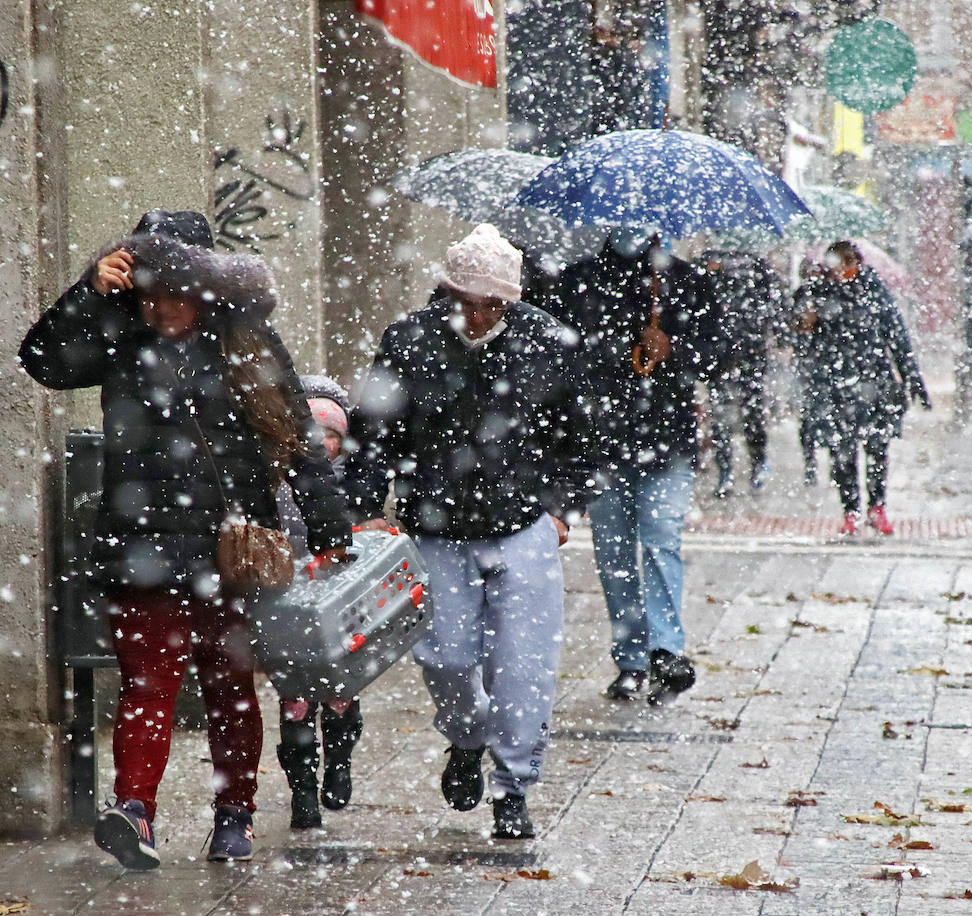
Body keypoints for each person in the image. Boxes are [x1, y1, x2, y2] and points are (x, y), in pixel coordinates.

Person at [19, 210, 352, 869]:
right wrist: (88, 290)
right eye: (148, 288)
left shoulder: (246, 341)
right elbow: (44, 361)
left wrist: (330, 527)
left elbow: (297, 439)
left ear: (206, 288)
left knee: (229, 687)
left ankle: (235, 817)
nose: (160, 304)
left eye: (173, 289)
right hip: (140, 547)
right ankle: (135, 813)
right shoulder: (119, 334)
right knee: (148, 686)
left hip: (230, 550)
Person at [343, 224, 593, 840]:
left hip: (521, 523)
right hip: (437, 524)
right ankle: (465, 737)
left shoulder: (549, 343)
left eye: (493, 305)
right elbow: (373, 432)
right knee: (448, 659)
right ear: (446, 291)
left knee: (523, 665)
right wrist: (366, 504)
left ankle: (514, 787)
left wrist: (563, 506)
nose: (478, 317)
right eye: (467, 302)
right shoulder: (410, 340)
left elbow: (580, 435)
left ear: (511, 300)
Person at [547, 232, 723, 705]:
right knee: (614, 553)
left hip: (666, 440)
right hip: (602, 443)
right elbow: (563, 360)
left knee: (661, 536)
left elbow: (718, 355)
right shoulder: (580, 282)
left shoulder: (682, 283)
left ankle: (666, 648)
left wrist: (675, 348)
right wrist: (613, 352)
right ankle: (631, 658)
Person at [272, 375, 363, 828]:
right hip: (290, 604)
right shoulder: (277, 482)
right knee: (295, 700)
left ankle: (339, 764)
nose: (324, 444)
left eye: (333, 435)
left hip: (341, 603)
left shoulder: (353, 484)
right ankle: (302, 791)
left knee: (342, 693)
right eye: (315, 435)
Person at [796, 241, 929, 536]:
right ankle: (851, 509)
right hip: (836, 386)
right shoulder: (818, 293)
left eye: (849, 264)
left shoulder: (874, 292)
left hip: (875, 382)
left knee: (877, 449)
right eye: (838, 265)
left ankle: (877, 506)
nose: (844, 271)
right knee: (842, 451)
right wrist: (807, 321)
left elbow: (896, 335)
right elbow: (801, 340)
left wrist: (912, 377)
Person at [703, 249, 785, 498]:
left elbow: (775, 307)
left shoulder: (757, 268)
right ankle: (728, 469)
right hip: (724, 354)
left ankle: (755, 464)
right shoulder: (711, 265)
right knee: (724, 416)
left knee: (749, 414)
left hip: (748, 353)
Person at [792, 259, 834, 487]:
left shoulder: (831, 295)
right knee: (809, 418)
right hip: (807, 367)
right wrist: (803, 322)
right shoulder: (800, 295)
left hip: (826, 367)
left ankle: (831, 460)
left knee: (827, 416)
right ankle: (810, 462)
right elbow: (791, 328)